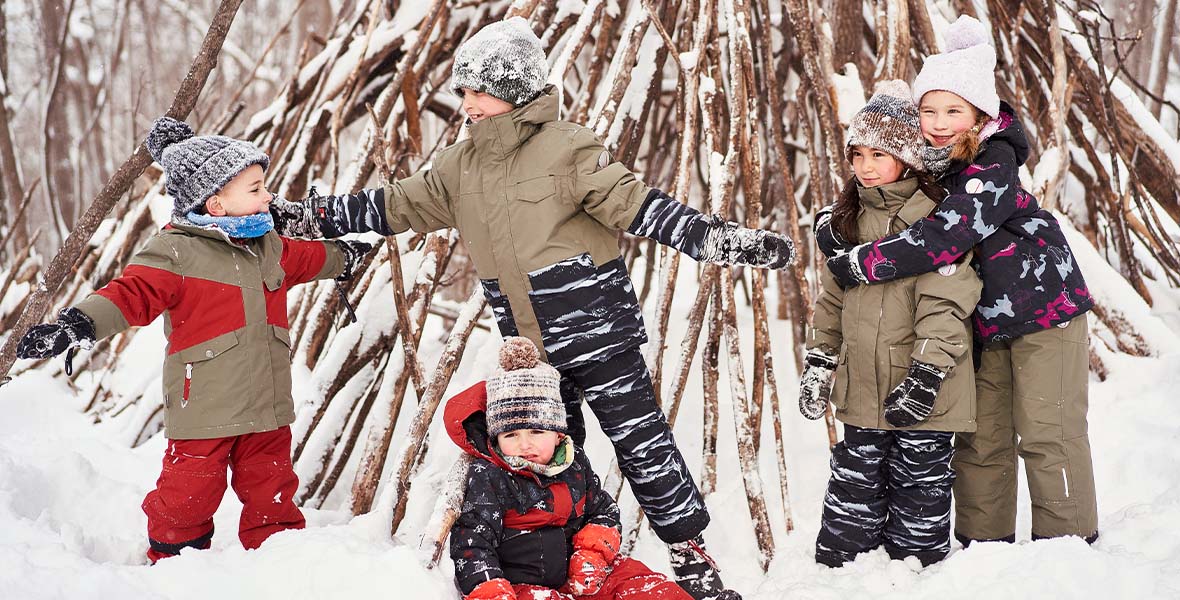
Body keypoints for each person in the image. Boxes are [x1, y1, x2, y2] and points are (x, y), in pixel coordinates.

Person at [270, 17, 795, 598]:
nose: (464, 103)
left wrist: (718, 241)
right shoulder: (458, 167)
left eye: (475, 90)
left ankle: (690, 553)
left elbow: (640, 208)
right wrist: (313, 218)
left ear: (513, 89)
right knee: (549, 459)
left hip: (598, 328)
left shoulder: (568, 149)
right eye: (462, 91)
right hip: (532, 354)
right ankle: (565, 559)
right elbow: (394, 205)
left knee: (643, 444)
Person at [15, 117, 372, 563]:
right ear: (216, 203)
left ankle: (282, 559)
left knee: (273, 488)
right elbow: (131, 293)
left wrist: (344, 256)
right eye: (256, 189)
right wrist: (78, 324)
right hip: (205, 404)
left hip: (268, 403)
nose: (269, 197)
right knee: (189, 492)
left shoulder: (269, 245)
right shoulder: (177, 251)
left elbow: (308, 257)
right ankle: (173, 561)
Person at [822, 16, 1099, 546]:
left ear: (981, 114)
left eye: (955, 110)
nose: (941, 122)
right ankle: (982, 548)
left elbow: (949, 233)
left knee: (1048, 432)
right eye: (929, 110)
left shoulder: (993, 161)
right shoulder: (927, 165)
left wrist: (866, 262)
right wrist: (834, 229)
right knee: (981, 437)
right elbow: (876, 200)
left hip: (1045, 308)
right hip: (980, 320)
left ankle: (1068, 550)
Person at [798, 81, 981, 567]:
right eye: (857, 154)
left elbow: (946, 303)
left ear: (908, 158)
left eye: (879, 153)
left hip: (926, 388)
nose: (865, 166)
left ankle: (917, 577)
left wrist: (926, 375)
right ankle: (839, 580)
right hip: (863, 387)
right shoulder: (848, 222)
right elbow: (832, 300)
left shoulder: (935, 222)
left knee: (920, 495)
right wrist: (820, 360)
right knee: (852, 492)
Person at [446, 337, 696, 600]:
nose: (524, 444)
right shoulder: (490, 476)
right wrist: (491, 591)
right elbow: (473, 544)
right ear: (496, 439)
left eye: (536, 431)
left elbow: (603, 511)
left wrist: (592, 555)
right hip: (522, 586)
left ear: (557, 434)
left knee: (641, 584)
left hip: (581, 573)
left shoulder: (573, 464)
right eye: (510, 435)